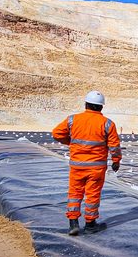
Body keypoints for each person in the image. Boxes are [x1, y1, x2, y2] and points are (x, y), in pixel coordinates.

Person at [52, 91, 122, 236]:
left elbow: (56, 133)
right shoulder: (107, 123)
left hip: (77, 166)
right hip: (96, 168)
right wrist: (116, 162)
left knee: (74, 193)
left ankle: (73, 223)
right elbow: (114, 146)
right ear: (101, 107)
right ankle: (90, 224)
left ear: (86, 104)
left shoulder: (72, 120)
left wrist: (71, 143)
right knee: (93, 195)